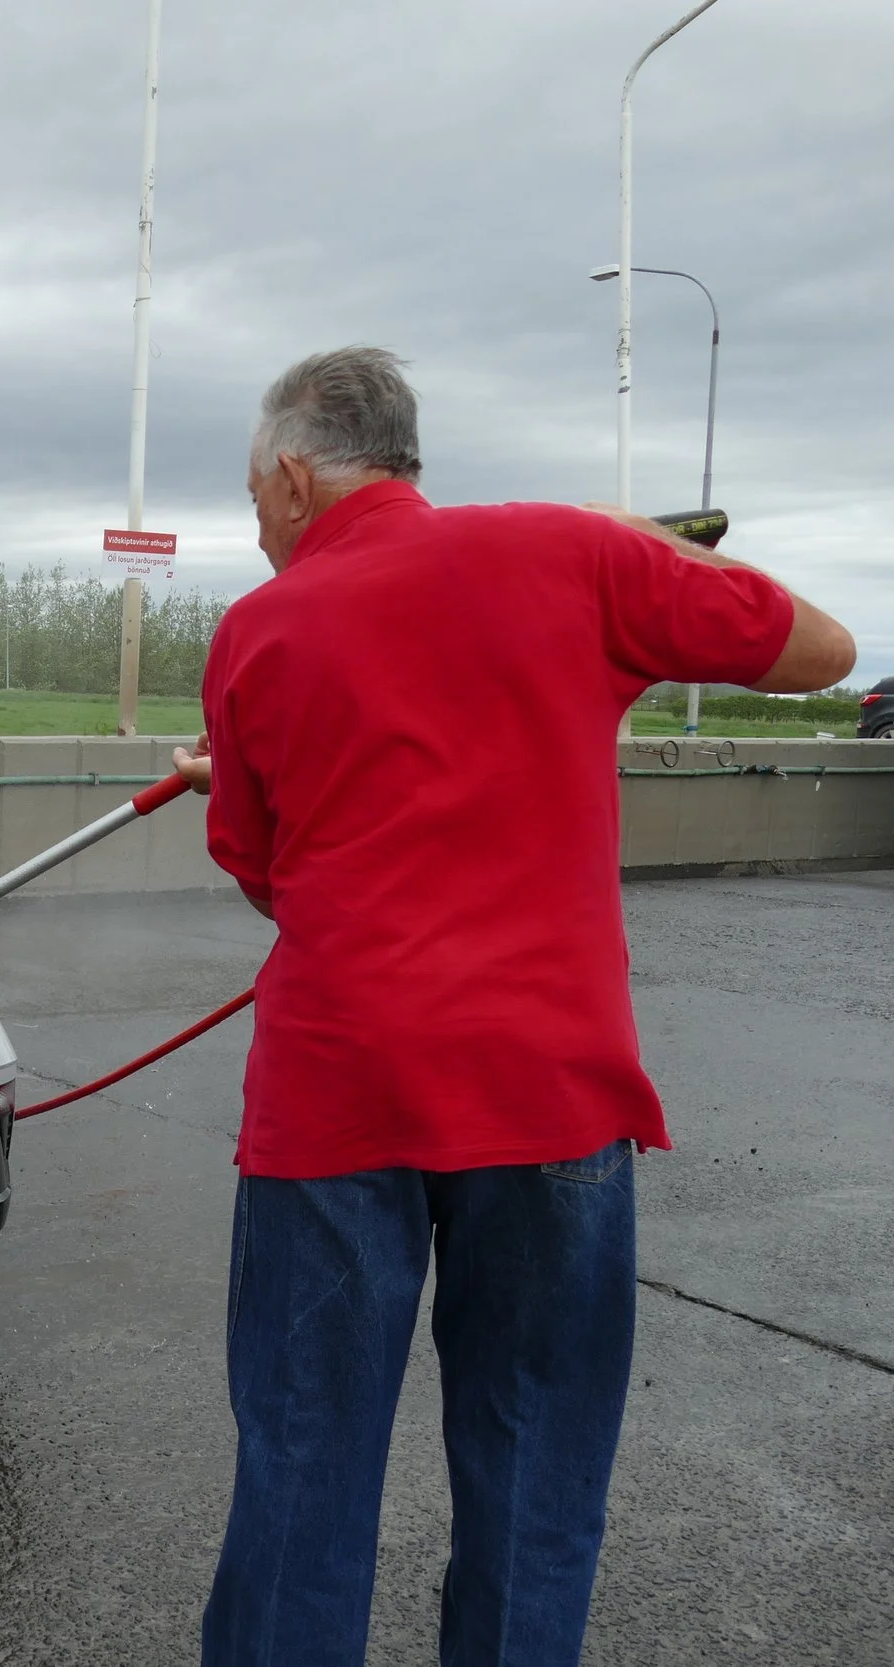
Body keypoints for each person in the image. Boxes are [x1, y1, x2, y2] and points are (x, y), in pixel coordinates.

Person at [172, 347, 854, 1667]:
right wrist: (633, 539)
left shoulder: (261, 629)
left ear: (297, 476)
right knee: (537, 1463)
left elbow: (264, 871)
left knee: (304, 1464)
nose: (258, 531)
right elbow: (825, 649)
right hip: (551, 1092)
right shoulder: (575, 555)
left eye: (255, 501)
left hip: (338, 1098)